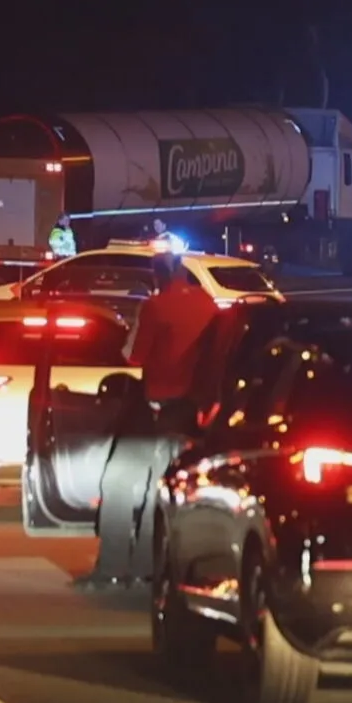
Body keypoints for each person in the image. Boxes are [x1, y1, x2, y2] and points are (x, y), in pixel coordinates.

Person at [79, 251, 217, 590]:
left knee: (117, 481)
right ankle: (148, 566)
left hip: (155, 405)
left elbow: (134, 355)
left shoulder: (156, 306)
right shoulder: (208, 303)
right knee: (160, 486)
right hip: (188, 410)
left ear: (160, 276)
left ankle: (112, 567)